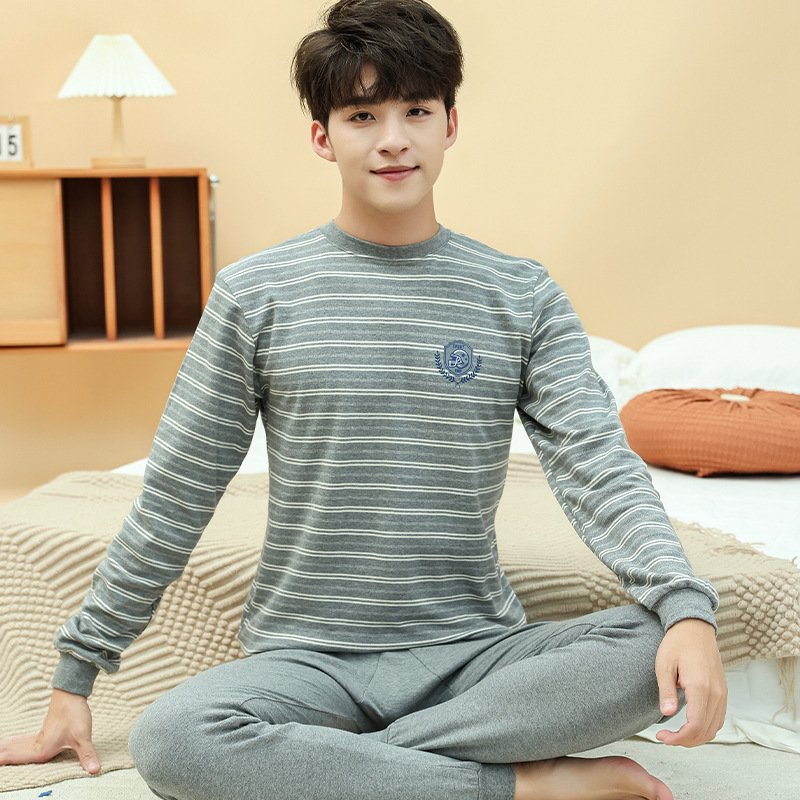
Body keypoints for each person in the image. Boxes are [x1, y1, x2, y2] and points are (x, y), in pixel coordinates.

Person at [0, 1, 727, 798]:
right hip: (304, 661)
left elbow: (598, 465)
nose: (392, 139)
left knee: (661, 640)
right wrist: (77, 672)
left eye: (416, 110)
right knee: (172, 740)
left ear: (450, 124)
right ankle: (519, 783)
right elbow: (176, 493)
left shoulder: (521, 295)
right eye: (361, 116)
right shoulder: (255, 294)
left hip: (477, 656)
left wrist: (684, 604)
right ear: (323, 136)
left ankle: (337, 765)